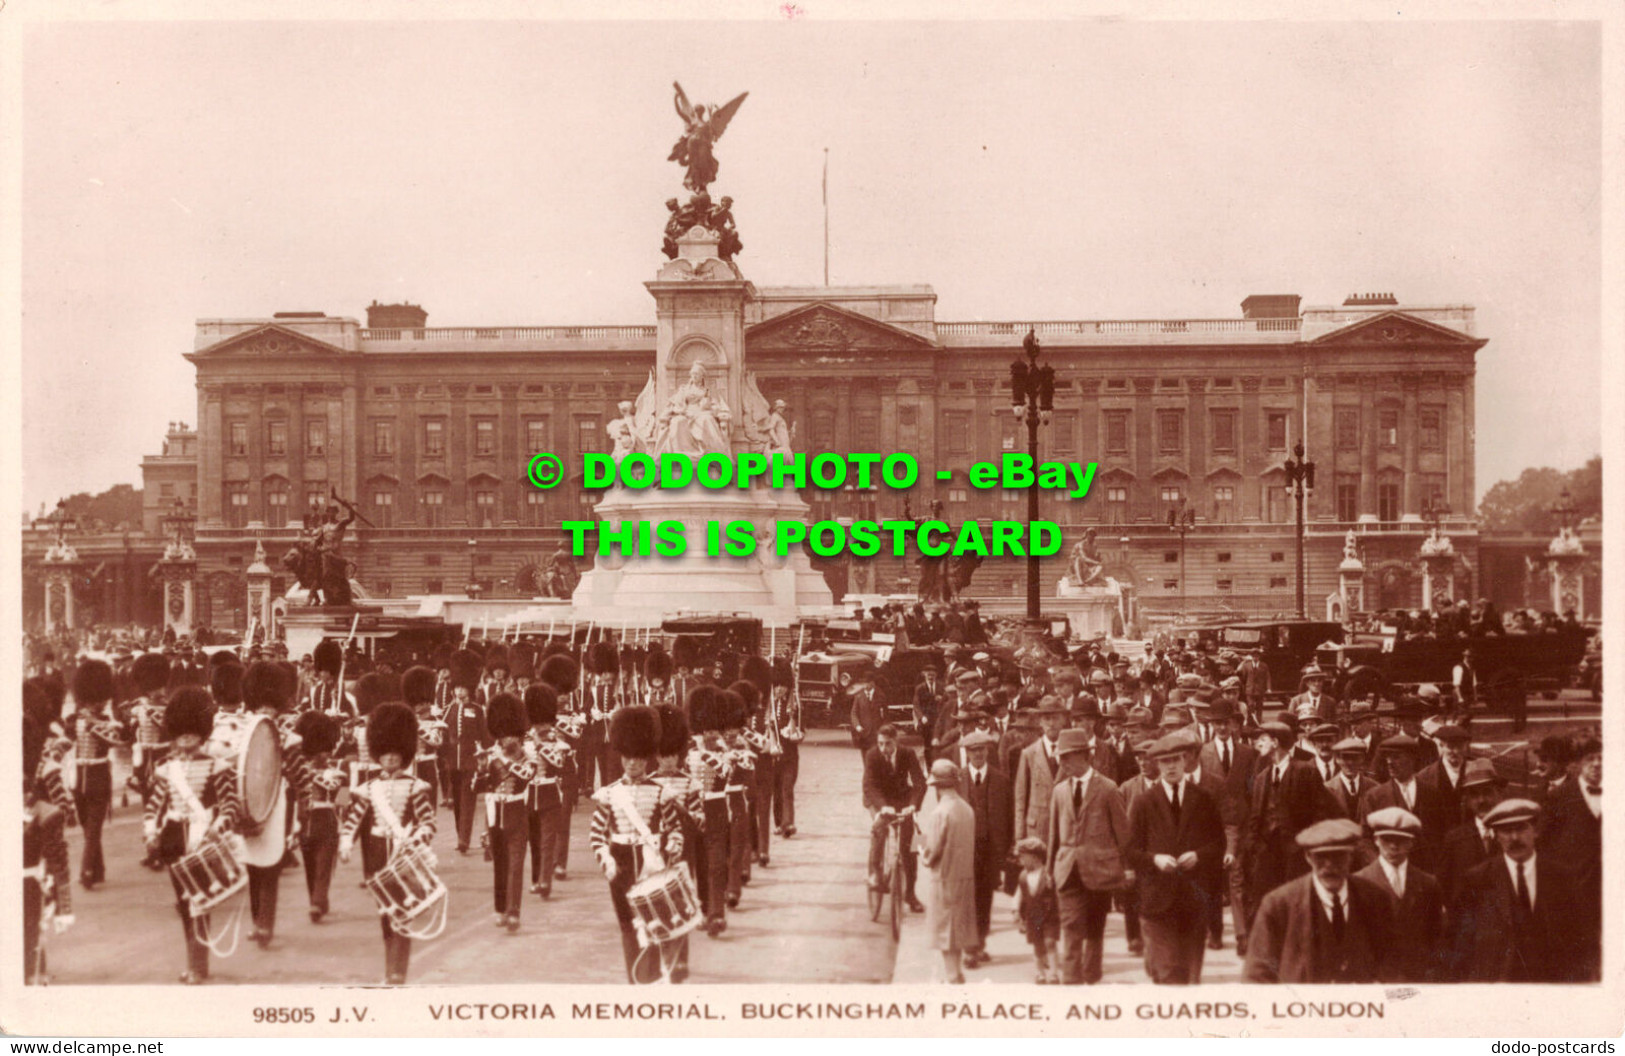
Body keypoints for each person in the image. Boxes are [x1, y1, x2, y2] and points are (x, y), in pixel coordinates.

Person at [142, 686, 243, 985]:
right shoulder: (166, 769)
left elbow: (230, 806)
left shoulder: (218, 766)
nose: (186, 737)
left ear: (202, 733)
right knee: (185, 903)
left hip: (203, 840)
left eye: (192, 732)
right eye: (181, 732)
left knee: (199, 901)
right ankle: (195, 962)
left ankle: (198, 965)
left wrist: (217, 828)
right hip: (174, 840)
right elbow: (154, 806)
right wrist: (150, 832)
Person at [339, 703, 436, 985]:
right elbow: (355, 818)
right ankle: (390, 964)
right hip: (377, 857)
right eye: (385, 753)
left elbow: (428, 822)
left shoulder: (416, 787)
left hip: (404, 856)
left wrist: (419, 837)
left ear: (403, 754)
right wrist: (346, 840)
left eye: (395, 753)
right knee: (385, 914)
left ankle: (398, 971)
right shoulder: (368, 789)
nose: (390, 758)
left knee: (402, 911)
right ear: (378, 754)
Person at [1448, 798, 1597, 982]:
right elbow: (1460, 942)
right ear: (1495, 835)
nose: (1514, 838)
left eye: (1521, 828)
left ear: (1535, 831)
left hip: (1551, 983)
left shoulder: (1562, 877)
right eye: (1506, 831)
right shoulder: (1477, 880)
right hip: (1497, 984)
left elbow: (1581, 937)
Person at [589, 706, 686, 983]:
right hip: (619, 860)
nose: (632, 764)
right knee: (626, 924)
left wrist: (672, 848)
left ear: (647, 760)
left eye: (638, 759)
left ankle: (652, 975)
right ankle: (635, 979)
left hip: (650, 860)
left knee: (652, 919)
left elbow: (674, 828)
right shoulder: (609, 793)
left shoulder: (660, 792)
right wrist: (605, 859)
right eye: (628, 758)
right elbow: (597, 834)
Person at [1126, 731, 1225, 984]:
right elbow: (1130, 851)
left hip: (1194, 900)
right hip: (1158, 901)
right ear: (1157, 765)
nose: (1170, 766)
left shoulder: (1203, 799)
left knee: (1191, 977)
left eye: (1175, 760)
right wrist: (1155, 859)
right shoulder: (1144, 802)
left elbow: (1218, 843)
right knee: (1169, 974)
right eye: (1164, 761)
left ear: (1184, 761)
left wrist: (1198, 855)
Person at [1243, 818, 1395, 984]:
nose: (1330, 866)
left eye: (1338, 857)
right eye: (1321, 857)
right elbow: (1257, 975)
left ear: (1350, 856)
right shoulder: (1279, 904)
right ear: (1308, 858)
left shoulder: (1374, 899)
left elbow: (1393, 964)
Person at [1046, 727, 1131, 984]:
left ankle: (1091, 978)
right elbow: (1053, 836)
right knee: (1070, 927)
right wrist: (1050, 870)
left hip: (1100, 871)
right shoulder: (1059, 791)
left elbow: (1123, 835)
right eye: (1061, 758)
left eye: (1068, 757)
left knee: (1095, 929)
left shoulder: (1107, 788)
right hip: (1067, 870)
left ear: (1086, 756)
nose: (1063, 763)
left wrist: (1126, 868)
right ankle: (1071, 983)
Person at [1242, 721, 1338, 932]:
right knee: (1265, 905)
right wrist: (1253, 846)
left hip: (1296, 854)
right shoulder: (1261, 777)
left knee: (1299, 908)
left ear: (1275, 742)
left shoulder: (1305, 771)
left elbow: (1320, 811)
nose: (1258, 743)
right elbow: (1255, 817)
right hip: (1267, 852)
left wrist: (1306, 845)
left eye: (1263, 739)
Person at [1356, 807, 1444, 982]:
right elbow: (1355, 941)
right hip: (1377, 980)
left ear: (1411, 843)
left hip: (1419, 978)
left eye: (1401, 840)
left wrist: (1432, 975)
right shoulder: (1359, 882)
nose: (1393, 846)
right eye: (1387, 839)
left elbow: (1436, 935)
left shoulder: (1428, 883)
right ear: (1376, 840)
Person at [476, 692, 533, 933]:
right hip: (494, 813)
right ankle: (501, 909)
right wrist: (480, 769)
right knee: (500, 865)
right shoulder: (490, 755)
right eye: (504, 733)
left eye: (513, 733)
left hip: (516, 813)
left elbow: (526, 777)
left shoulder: (528, 756)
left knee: (516, 865)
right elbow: (478, 788)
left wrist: (505, 761)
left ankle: (513, 912)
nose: (509, 738)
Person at [23, 716, 74, 985]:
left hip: (30, 882)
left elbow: (58, 860)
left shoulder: (44, 812)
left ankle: (37, 971)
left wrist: (64, 907)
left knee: (29, 937)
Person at [917, 758, 978, 983]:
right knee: (958, 929)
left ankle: (952, 976)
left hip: (944, 878)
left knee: (945, 932)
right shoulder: (967, 809)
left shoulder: (940, 813)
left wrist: (920, 846)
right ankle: (957, 972)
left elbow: (932, 850)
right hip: (964, 877)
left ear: (937, 786)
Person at [957, 728, 1012, 967]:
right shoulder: (957, 780)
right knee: (966, 900)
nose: (977, 754)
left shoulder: (1001, 780)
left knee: (985, 899)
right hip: (964, 852)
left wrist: (1006, 852)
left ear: (987, 751)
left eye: (981, 750)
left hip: (991, 851)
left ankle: (979, 944)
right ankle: (969, 948)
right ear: (966, 753)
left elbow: (1009, 819)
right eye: (972, 750)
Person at [863, 723, 927, 913]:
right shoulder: (872, 755)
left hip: (902, 800)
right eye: (880, 744)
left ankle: (911, 894)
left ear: (896, 741)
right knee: (879, 829)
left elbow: (919, 783)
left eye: (888, 744)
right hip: (877, 799)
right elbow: (869, 786)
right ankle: (875, 873)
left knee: (912, 845)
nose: (884, 748)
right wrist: (883, 807)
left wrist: (913, 806)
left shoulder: (908, 754)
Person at [290, 710, 343, 923]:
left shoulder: (336, 770)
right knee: (310, 867)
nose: (320, 758)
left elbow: (337, 792)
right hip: (305, 821)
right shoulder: (299, 769)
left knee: (323, 865)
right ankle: (318, 899)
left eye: (322, 754)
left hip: (327, 819)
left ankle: (318, 901)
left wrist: (314, 774)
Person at [522, 684, 572, 899]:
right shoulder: (524, 735)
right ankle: (537, 879)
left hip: (549, 790)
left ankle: (545, 881)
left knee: (547, 839)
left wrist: (539, 745)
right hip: (528, 792)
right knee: (534, 839)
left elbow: (559, 762)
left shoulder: (553, 737)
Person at [442, 649, 491, 855]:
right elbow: (443, 735)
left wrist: (484, 755)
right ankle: (460, 834)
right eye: (457, 688)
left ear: (469, 690)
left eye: (463, 688)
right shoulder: (448, 710)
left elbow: (485, 735)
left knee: (468, 801)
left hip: (471, 761)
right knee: (458, 805)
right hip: (453, 761)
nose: (460, 692)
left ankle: (464, 839)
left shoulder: (478, 710)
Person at [1013, 697, 1068, 841]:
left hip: (1066, 827)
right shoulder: (1029, 754)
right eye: (1047, 718)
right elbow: (1020, 799)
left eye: (1055, 718)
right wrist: (1019, 836)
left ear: (1063, 720)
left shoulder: (1071, 752)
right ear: (1040, 722)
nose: (1051, 723)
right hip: (1038, 830)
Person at [1014, 836, 1061, 984]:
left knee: (1050, 942)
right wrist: (1015, 911)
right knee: (1038, 945)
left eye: (1023, 857)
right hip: (1033, 916)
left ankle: (1053, 973)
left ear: (1034, 858)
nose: (1020, 860)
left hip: (1050, 915)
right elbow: (1019, 894)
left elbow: (1057, 894)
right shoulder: (1023, 876)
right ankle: (1039, 972)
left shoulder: (1048, 876)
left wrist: (1062, 910)